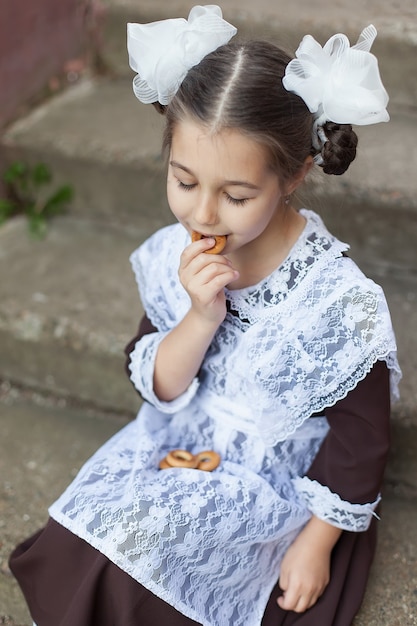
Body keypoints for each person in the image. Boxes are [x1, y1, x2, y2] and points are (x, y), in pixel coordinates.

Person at [9, 6, 401, 626]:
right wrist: (198, 317)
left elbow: (362, 439)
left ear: (296, 174)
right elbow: (160, 383)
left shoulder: (332, 299)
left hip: (278, 477)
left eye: (238, 196)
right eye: (184, 181)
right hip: (182, 438)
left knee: (170, 572)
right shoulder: (177, 254)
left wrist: (317, 542)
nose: (204, 215)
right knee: (90, 542)